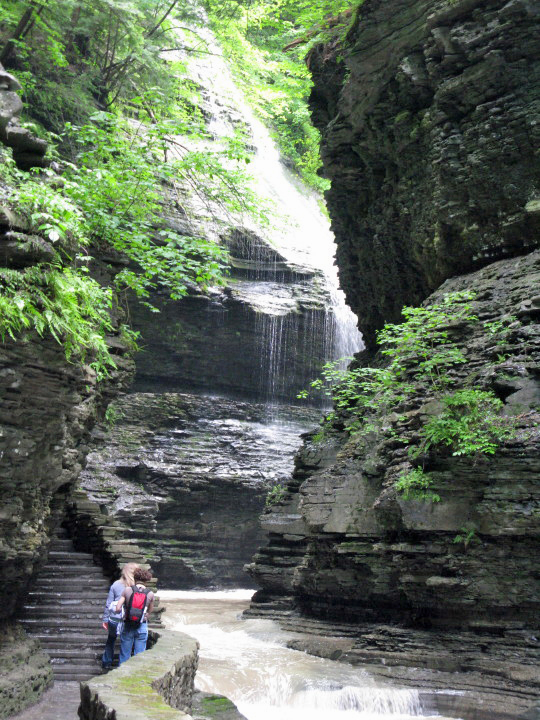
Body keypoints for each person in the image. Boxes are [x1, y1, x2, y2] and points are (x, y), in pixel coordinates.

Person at [101, 562, 139, 670]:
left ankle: (106, 662)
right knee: (125, 640)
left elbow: (109, 604)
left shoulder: (116, 585)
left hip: (114, 618)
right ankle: (123, 665)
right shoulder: (136, 587)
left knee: (111, 638)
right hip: (128, 618)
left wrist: (105, 619)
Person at [116, 567, 154, 665]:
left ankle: (122, 674)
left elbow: (118, 608)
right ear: (146, 580)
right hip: (141, 625)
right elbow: (150, 610)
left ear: (134, 578)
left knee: (125, 654)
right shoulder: (150, 594)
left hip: (128, 624)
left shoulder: (127, 590)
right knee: (139, 655)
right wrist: (145, 616)